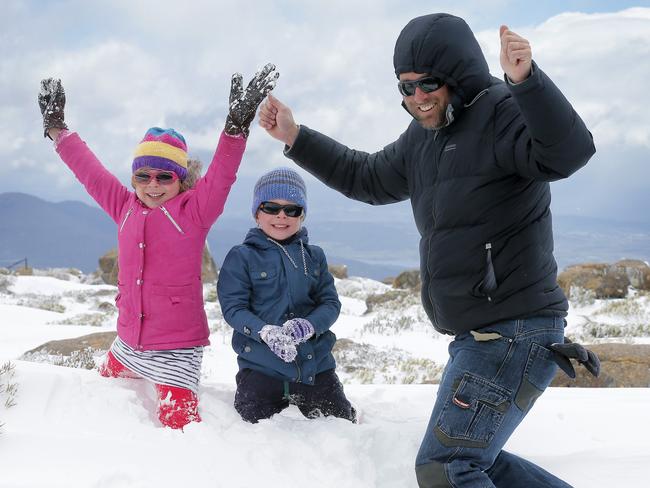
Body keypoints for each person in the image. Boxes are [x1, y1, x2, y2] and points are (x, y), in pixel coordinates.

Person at [259, 13, 600, 488]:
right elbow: (367, 177)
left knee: (448, 468)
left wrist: (525, 81)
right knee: (478, 461)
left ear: (457, 75)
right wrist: (297, 138)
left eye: (429, 83)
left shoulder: (502, 111)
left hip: (513, 331)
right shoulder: (424, 138)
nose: (417, 97)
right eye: (405, 87)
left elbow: (569, 152)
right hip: (479, 337)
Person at [37, 64, 279, 430]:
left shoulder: (194, 211)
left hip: (176, 350)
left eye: (164, 176)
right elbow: (90, 171)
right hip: (127, 344)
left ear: (180, 179)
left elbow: (222, 176)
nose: (152, 185)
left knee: (178, 429)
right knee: (97, 397)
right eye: (143, 176)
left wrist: (235, 131)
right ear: (133, 177)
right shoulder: (123, 207)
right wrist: (57, 130)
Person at [217, 167, 355, 424]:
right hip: (261, 368)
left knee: (343, 425)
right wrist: (265, 332)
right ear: (257, 213)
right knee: (251, 430)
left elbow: (330, 302)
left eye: (292, 209)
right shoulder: (242, 257)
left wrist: (310, 325)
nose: (281, 216)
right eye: (271, 207)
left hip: (315, 367)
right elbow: (233, 308)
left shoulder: (314, 256)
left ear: (302, 216)